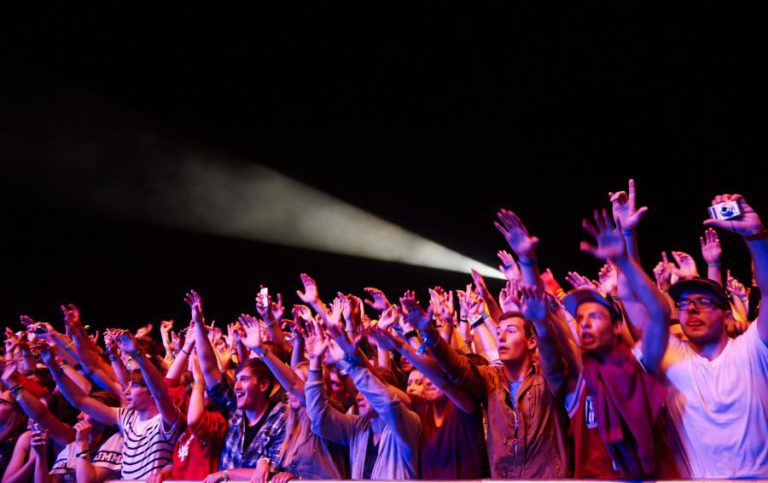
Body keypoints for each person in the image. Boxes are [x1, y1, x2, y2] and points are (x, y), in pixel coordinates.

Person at [652, 193, 768, 478]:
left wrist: (756, 237)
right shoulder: (672, 359)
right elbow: (645, 314)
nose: (691, 308)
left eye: (702, 302)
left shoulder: (752, 348)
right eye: (684, 303)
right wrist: (627, 241)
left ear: (728, 316)